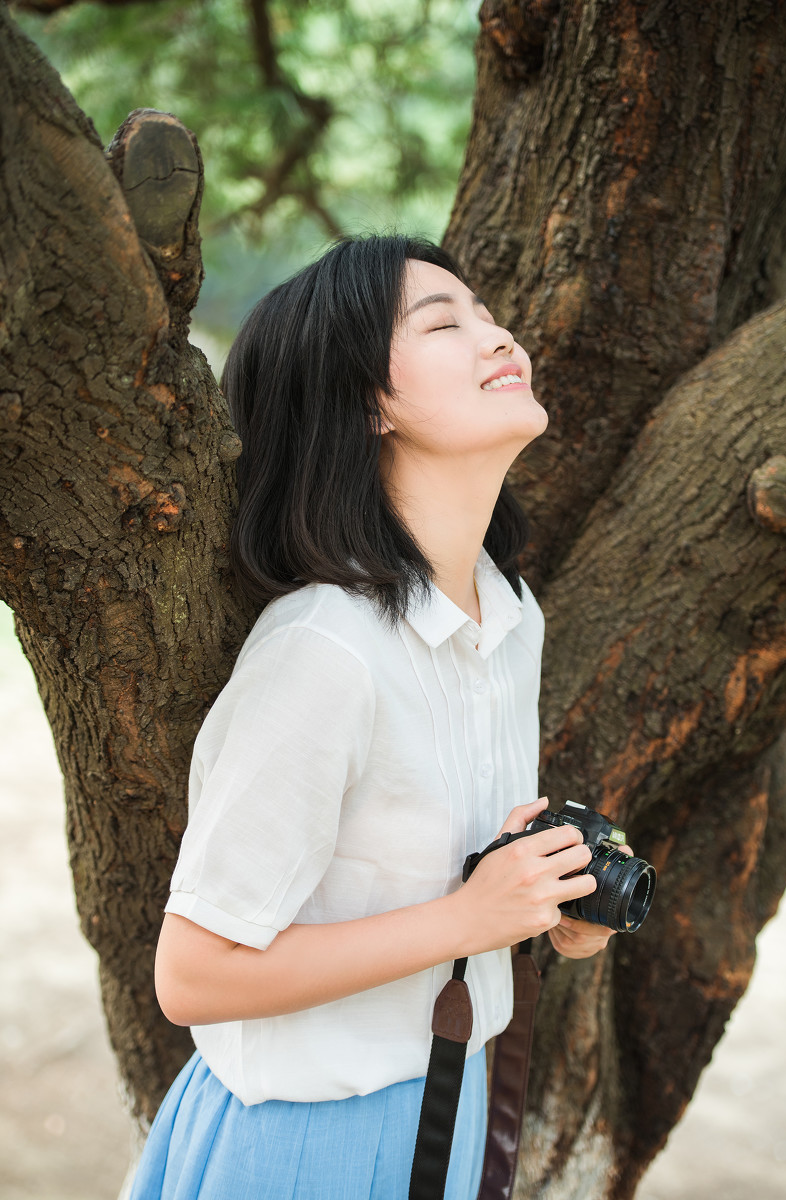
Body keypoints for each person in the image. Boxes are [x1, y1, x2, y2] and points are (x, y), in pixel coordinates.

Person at [129, 234, 618, 1200]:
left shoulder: (507, 616)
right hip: (298, 1142)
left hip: (451, 1109)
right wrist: (465, 918)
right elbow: (192, 975)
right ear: (366, 403)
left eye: (487, 314)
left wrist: (542, 903)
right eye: (443, 324)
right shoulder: (325, 648)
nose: (498, 336)